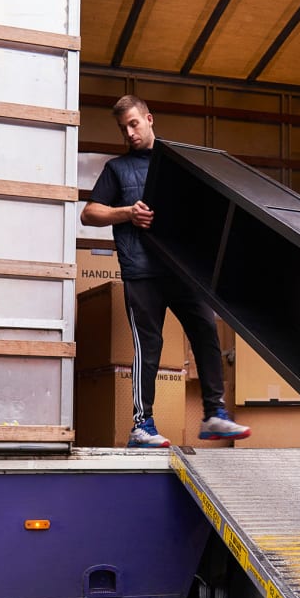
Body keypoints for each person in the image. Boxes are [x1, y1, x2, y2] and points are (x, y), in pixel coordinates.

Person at [81, 95, 251, 448]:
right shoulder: (117, 170)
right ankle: (142, 426)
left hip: (183, 270)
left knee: (206, 329)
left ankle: (214, 415)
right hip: (141, 272)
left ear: (149, 119)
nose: (129, 133)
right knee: (149, 346)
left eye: (134, 124)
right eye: (123, 128)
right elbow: (90, 213)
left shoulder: (177, 164)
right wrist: (127, 212)